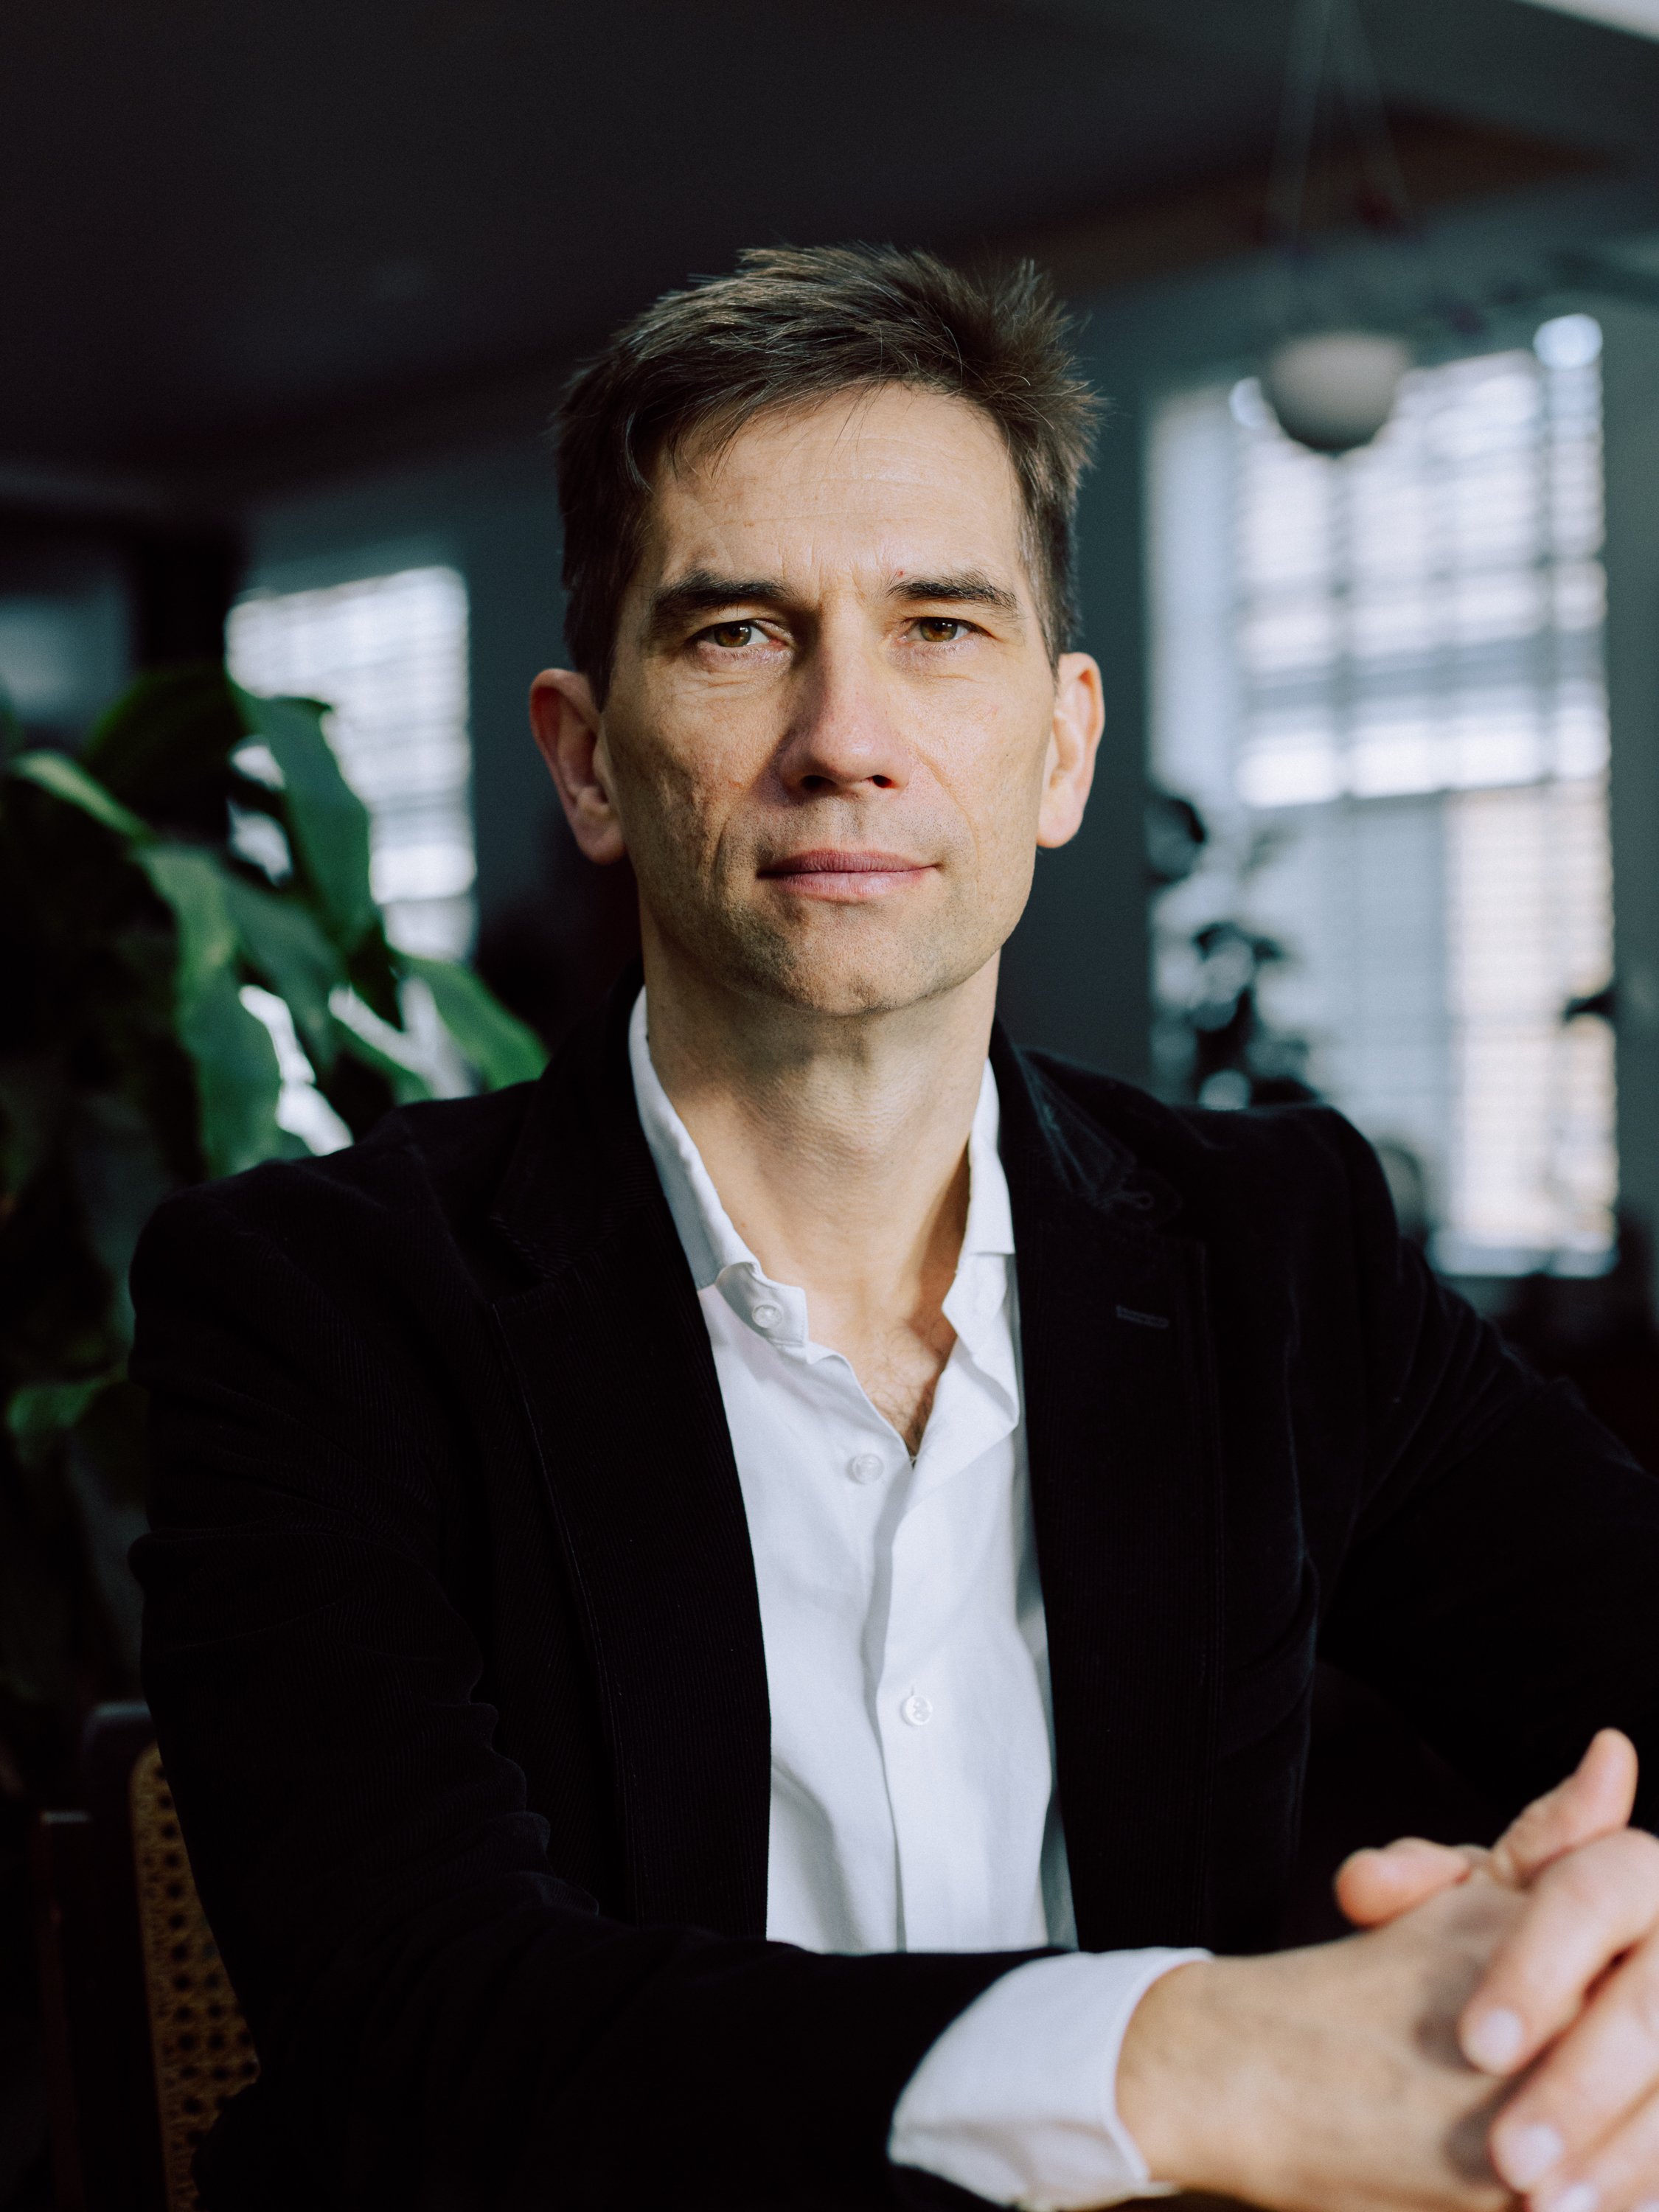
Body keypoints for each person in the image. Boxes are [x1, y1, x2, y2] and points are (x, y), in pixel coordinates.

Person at [131, 246, 1659, 2212]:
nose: (846, 732)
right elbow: (431, 2027)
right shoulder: (314, 1303)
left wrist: (1590, 1946)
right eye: (739, 632)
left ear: (1060, 744)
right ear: (586, 757)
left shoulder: (1273, 1245)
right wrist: (1189, 2054)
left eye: (941, 627)